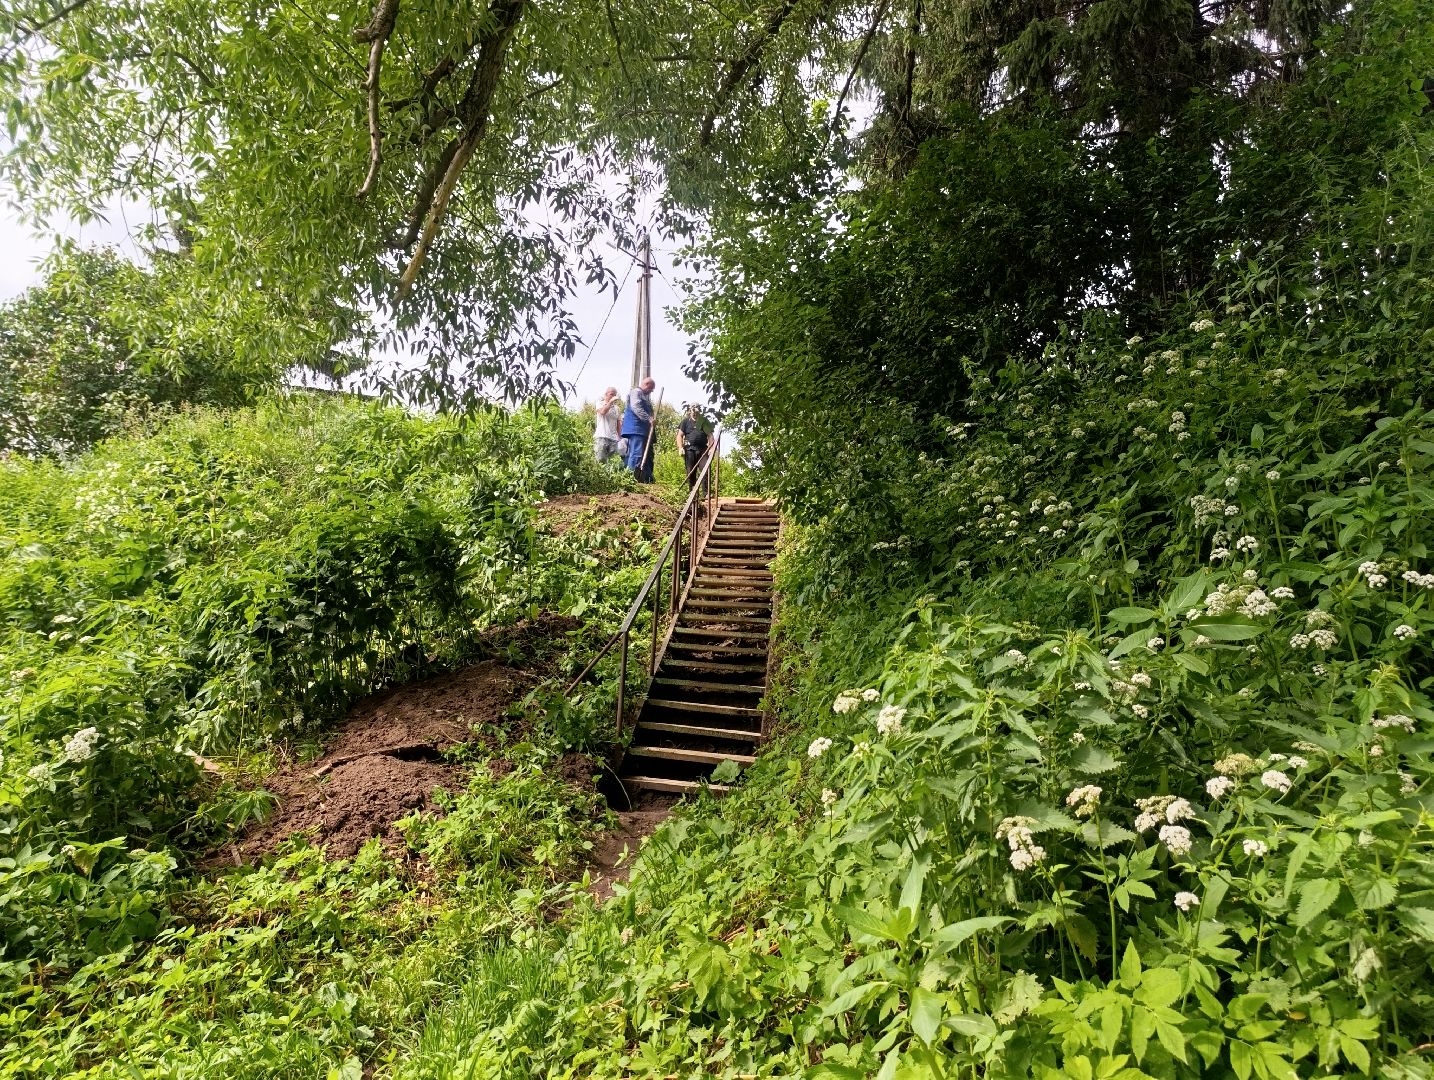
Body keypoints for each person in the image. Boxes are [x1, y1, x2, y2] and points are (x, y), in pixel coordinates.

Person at [620, 376, 656, 483]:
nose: (651, 391)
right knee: (637, 454)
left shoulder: (645, 397)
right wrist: (649, 418)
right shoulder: (636, 392)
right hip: (636, 429)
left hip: (644, 431)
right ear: (646, 384)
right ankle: (631, 479)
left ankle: (647, 479)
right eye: (651, 388)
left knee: (648, 455)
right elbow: (636, 407)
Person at [677, 402, 709, 489]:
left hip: (703, 450)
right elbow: (680, 435)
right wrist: (680, 448)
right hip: (689, 450)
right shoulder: (685, 422)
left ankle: (706, 493)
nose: (695, 414)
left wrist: (712, 448)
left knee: (705, 470)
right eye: (693, 412)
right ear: (690, 411)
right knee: (690, 471)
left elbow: (710, 436)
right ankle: (693, 493)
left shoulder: (703, 422)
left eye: (697, 412)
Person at [593, 386, 620, 462]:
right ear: (605, 394)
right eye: (611, 394)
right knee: (600, 460)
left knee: (613, 463)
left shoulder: (616, 408)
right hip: (602, 436)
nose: (613, 397)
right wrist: (610, 402)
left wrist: (619, 437)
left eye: (615, 395)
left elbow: (618, 423)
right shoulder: (600, 403)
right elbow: (603, 412)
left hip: (614, 439)